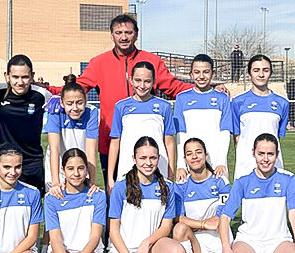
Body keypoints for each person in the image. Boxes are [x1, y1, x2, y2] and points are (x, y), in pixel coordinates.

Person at [46, 14, 194, 191]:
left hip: (147, 146)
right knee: (114, 194)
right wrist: (51, 91)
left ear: (136, 35)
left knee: (152, 194)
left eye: (128, 32)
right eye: (119, 32)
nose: (123, 37)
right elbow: (80, 86)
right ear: (112, 35)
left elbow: (173, 86)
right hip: (111, 142)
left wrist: (204, 89)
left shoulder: (152, 61)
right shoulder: (99, 62)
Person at [220, 133, 295, 253]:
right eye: (261, 154)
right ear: (253, 153)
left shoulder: (288, 178)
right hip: (249, 240)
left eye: (270, 154)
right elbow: (225, 218)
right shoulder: (242, 181)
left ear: (277, 154)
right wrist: (226, 247)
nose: (265, 159)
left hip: (278, 240)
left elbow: (294, 213)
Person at [108, 137, 185, 253]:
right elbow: (113, 230)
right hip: (124, 251)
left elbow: (166, 227)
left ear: (158, 159)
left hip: (151, 248)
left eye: (153, 158)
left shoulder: (167, 187)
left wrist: (146, 243)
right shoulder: (121, 186)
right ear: (134, 159)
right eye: (143, 158)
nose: (148, 163)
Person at [40, 74, 100, 253]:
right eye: (70, 103)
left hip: (80, 168)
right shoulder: (55, 111)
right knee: (53, 221)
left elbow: (91, 151)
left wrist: (91, 181)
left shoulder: (92, 113)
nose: (75, 108)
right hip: (58, 169)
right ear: (63, 103)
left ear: (86, 101)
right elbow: (54, 147)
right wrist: (56, 181)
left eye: (79, 103)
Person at [44, 149, 108, 253]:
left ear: (87, 169)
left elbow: (95, 237)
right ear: (62, 170)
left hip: (89, 251)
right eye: (70, 169)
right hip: (62, 250)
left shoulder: (97, 195)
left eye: (81, 168)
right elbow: (55, 237)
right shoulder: (52, 198)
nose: (76, 173)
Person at [172, 138, 232, 253]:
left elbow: (222, 218)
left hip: (217, 243)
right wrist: (204, 224)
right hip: (194, 243)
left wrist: (195, 224)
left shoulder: (220, 181)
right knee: (179, 230)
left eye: (198, 152)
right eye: (189, 154)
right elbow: (178, 218)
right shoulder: (181, 185)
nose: (195, 157)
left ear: (206, 155)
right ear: (185, 159)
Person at [108, 61, 175, 189]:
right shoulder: (121, 106)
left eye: (147, 81)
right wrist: (111, 178)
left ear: (154, 81)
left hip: (157, 167)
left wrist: (171, 174)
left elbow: (169, 142)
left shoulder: (164, 106)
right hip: (127, 167)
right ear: (131, 80)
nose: (142, 85)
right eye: (138, 80)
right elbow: (115, 143)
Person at [0, 54, 51, 196]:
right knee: (0, 206)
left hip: (32, 161)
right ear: (7, 76)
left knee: (32, 208)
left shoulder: (42, 95)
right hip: (4, 161)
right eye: (15, 77)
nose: (20, 82)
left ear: (32, 76)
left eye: (25, 77)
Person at [173, 54, 233, 182]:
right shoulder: (182, 98)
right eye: (197, 72)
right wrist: (181, 165)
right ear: (191, 74)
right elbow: (181, 134)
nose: (201, 76)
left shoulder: (222, 98)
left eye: (206, 72)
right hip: (191, 161)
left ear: (212, 73)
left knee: (219, 199)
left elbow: (225, 132)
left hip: (216, 162)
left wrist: (221, 162)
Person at [231, 55, 290, 179]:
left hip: (273, 164)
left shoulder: (282, 103)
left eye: (265, 70)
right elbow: (237, 137)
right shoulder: (238, 102)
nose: (261, 74)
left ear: (271, 73)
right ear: (249, 73)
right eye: (256, 70)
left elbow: (278, 137)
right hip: (246, 165)